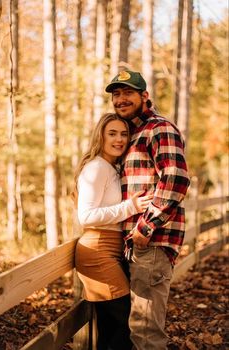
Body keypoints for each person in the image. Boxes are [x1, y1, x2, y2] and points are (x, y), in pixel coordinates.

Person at [105, 70, 191, 350]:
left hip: (152, 242)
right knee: (138, 328)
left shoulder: (158, 128)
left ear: (144, 96)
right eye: (116, 94)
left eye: (128, 93)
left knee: (145, 333)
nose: (121, 99)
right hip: (138, 245)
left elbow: (176, 178)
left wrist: (145, 227)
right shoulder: (134, 133)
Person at [72, 113, 151, 350]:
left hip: (110, 250)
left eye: (124, 134)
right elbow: (85, 216)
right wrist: (130, 207)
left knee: (110, 325)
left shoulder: (111, 167)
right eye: (112, 133)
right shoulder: (96, 167)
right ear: (101, 136)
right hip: (97, 252)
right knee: (128, 323)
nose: (119, 139)